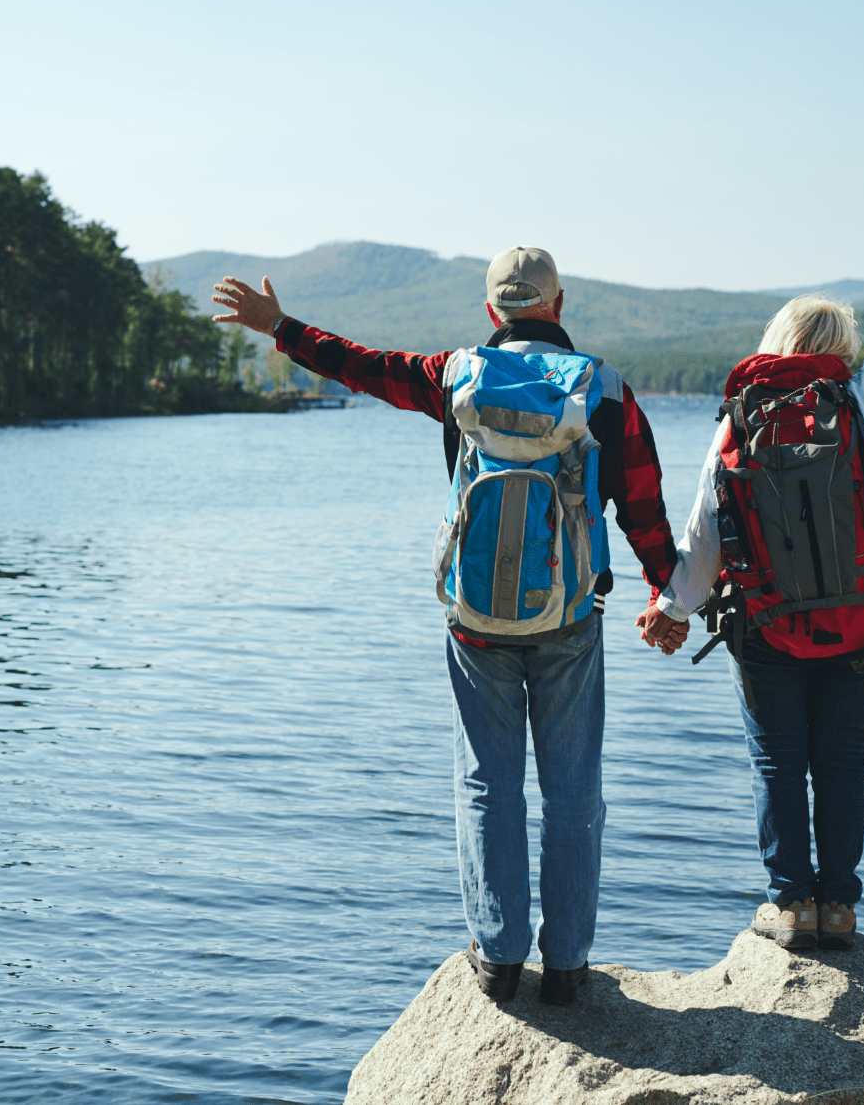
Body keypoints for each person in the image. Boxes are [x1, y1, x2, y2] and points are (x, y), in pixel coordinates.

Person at [211, 246, 683, 1004]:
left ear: (492, 311)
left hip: (475, 620)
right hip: (570, 620)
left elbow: (363, 366)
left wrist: (282, 327)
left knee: (487, 784)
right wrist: (671, 597)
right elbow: (646, 510)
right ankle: (566, 967)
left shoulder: (455, 374)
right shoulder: (606, 390)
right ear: (559, 307)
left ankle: (498, 958)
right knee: (573, 791)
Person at [639, 176, 864, 951]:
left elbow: (702, 533)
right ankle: (841, 907)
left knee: (777, 763)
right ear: (839, 356)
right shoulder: (857, 405)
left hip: (765, 628)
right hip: (858, 622)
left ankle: (790, 905)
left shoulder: (739, 422)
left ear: (776, 345)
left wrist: (670, 611)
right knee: (844, 763)